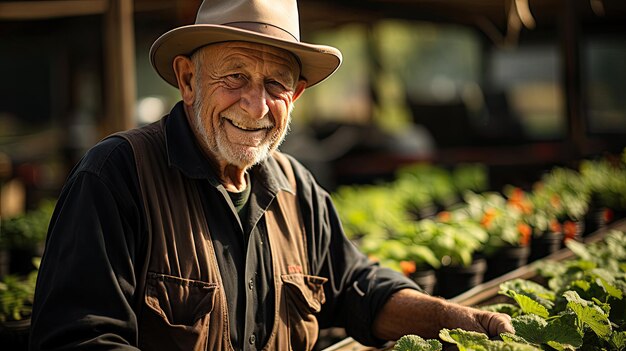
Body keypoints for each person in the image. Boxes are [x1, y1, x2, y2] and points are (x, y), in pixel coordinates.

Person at [30, 0, 514, 350]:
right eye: (234, 76)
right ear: (187, 79)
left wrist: (464, 322)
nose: (256, 105)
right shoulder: (116, 178)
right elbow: (81, 338)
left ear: (295, 96)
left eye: (275, 84)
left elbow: (359, 290)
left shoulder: (297, 189)